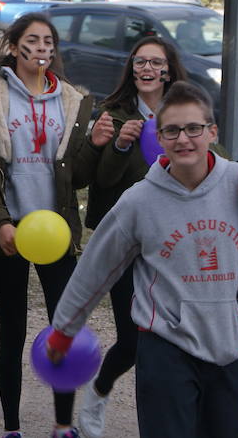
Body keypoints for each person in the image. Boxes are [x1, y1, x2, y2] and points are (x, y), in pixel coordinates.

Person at [48, 81, 238, 438]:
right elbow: (94, 270)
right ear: (160, 136)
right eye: (172, 130)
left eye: (193, 128)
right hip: (164, 347)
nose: (183, 139)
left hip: (226, 344)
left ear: (211, 131)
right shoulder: (139, 201)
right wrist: (64, 331)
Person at [0, 12, 112, 438]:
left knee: (62, 330)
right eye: (33, 39)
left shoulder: (71, 100)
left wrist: (98, 145)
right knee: (11, 331)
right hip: (9, 234)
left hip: (58, 235)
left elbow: (77, 176)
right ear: (14, 46)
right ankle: (12, 427)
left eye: (49, 40)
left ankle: (62, 424)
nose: (42, 48)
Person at [76, 35, 188, 438]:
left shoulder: (184, 112)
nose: (147, 69)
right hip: (125, 242)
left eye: (156, 63)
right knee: (133, 339)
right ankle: (99, 392)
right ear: (131, 68)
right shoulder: (113, 113)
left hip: (173, 241)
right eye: (140, 62)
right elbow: (100, 181)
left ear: (169, 70)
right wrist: (120, 145)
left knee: (171, 338)